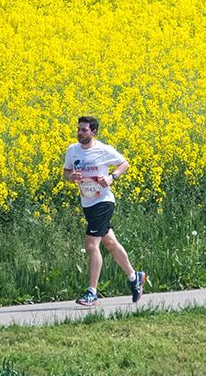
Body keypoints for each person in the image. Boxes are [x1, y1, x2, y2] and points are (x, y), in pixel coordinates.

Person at [62, 116, 147, 308]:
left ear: (93, 132)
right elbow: (66, 171)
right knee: (110, 243)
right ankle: (135, 277)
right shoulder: (72, 150)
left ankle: (92, 292)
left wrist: (112, 177)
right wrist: (71, 177)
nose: (80, 133)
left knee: (92, 244)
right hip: (87, 203)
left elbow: (124, 163)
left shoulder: (103, 149)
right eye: (78, 129)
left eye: (84, 130)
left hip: (103, 201)